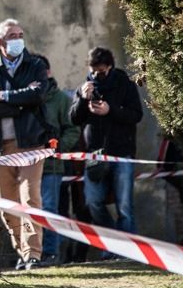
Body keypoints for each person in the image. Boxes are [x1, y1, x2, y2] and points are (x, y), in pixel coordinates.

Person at [0, 18, 49, 270]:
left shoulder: (36, 65)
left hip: (31, 143)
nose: (18, 39)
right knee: (7, 204)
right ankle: (22, 252)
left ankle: (33, 254)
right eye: (12, 35)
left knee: (30, 198)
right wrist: (22, 99)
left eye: (20, 34)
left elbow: (39, 94)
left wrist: (6, 96)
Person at [69, 46, 143, 238]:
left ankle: (129, 248)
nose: (96, 75)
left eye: (100, 72)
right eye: (92, 71)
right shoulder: (84, 87)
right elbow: (73, 119)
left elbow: (136, 115)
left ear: (110, 67)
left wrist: (111, 110)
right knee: (93, 202)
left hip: (121, 152)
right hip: (95, 154)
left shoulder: (125, 84)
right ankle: (113, 242)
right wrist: (82, 100)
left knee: (124, 205)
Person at [32, 54, 80, 265]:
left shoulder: (61, 99)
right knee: (29, 209)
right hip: (28, 163)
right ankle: (30, 254)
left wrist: (59, 148)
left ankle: (51, 253)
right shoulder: (28, 97)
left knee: (49, 208)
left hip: (51, 165)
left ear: (48, 72)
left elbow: (72, 129)